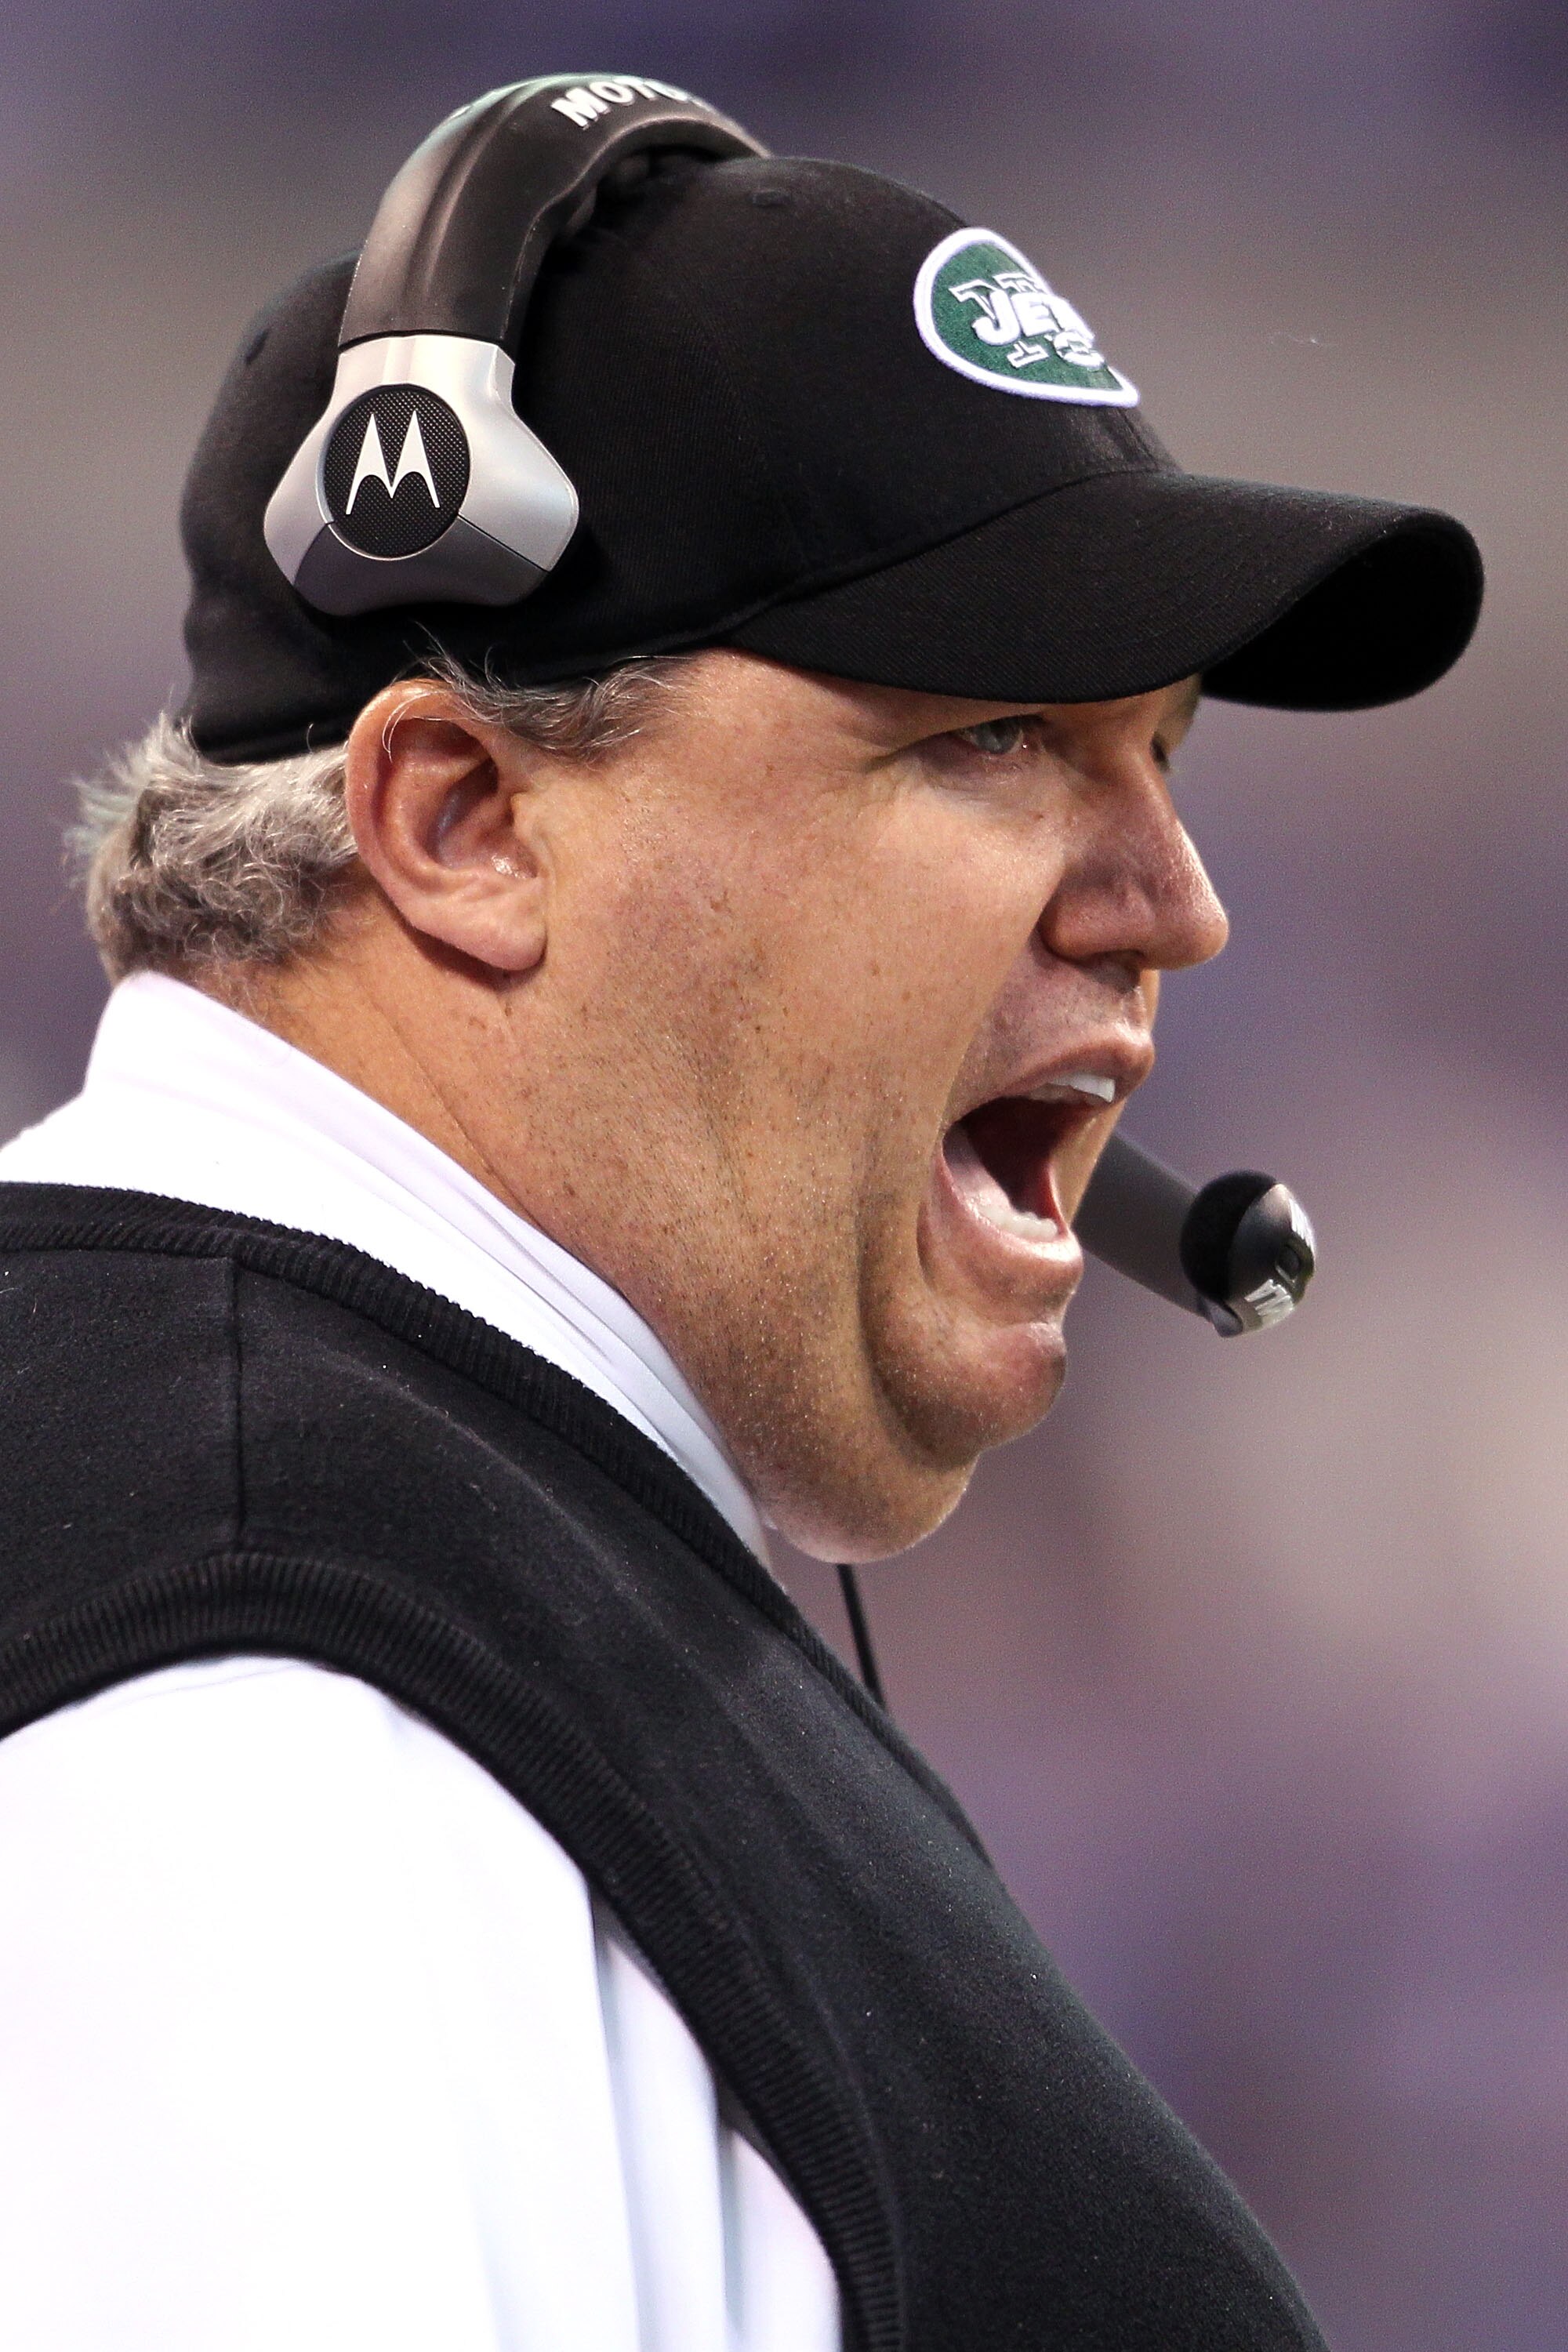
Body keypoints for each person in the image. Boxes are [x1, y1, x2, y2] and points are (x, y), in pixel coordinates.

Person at [0, 78, 1479, 2352]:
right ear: (466, 816)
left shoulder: (391, 1560)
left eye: (1162, 756)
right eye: (992, 739)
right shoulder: (241, 1696)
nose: (1177, 906)